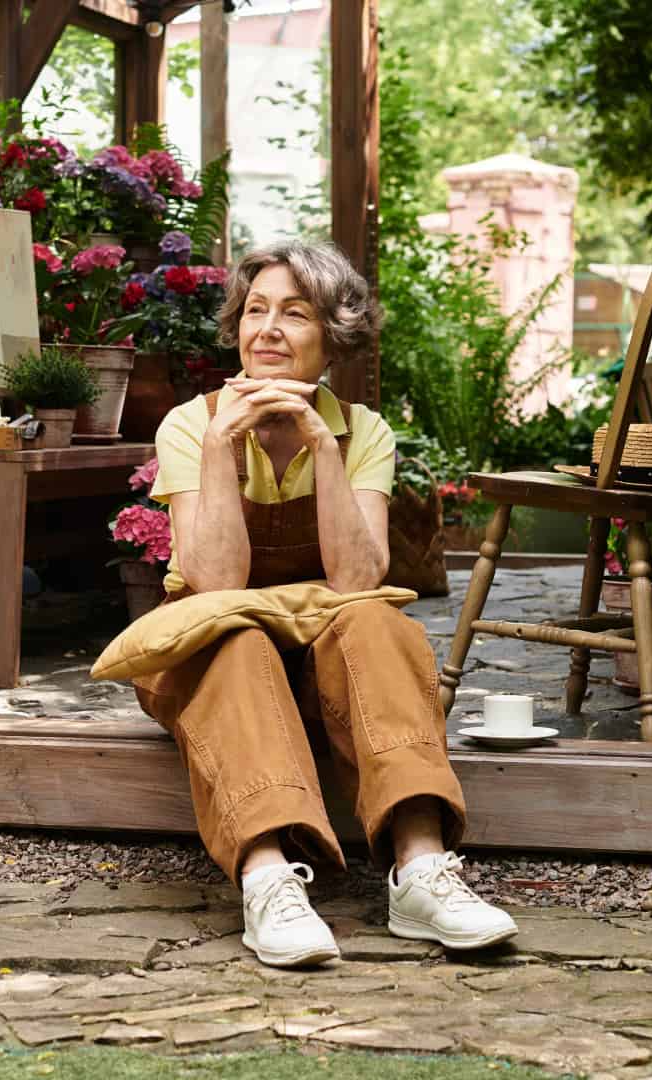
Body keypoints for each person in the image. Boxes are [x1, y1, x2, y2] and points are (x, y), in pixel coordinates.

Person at [135, 240, 517, 967]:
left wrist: (323, 444)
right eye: (256, 311)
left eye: (295, 313)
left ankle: (421, 872)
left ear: (334, 335)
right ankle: (268, 878)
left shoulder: (362, 431)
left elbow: (355, 580)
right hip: (210, 659)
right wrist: (221, 449)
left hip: (325, 659)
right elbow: (214, 585)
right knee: (237, 636)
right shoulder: (192, 424)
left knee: (379, 623)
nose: (268, 329)